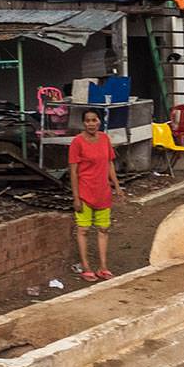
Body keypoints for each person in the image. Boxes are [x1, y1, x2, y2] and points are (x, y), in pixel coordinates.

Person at [68, 107, 124, 282]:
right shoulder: (77, 142)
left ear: (100, 121)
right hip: (85, 191)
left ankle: (103, 267)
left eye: (94, 120)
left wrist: (117, 186)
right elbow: (73, 171)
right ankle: (86, 267)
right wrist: (76, 197)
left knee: (103, 229)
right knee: (83, 229)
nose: (91, 124)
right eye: (88, 121)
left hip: (103, 191)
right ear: (83, 123)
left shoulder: (105, 139)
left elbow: (109, 164)